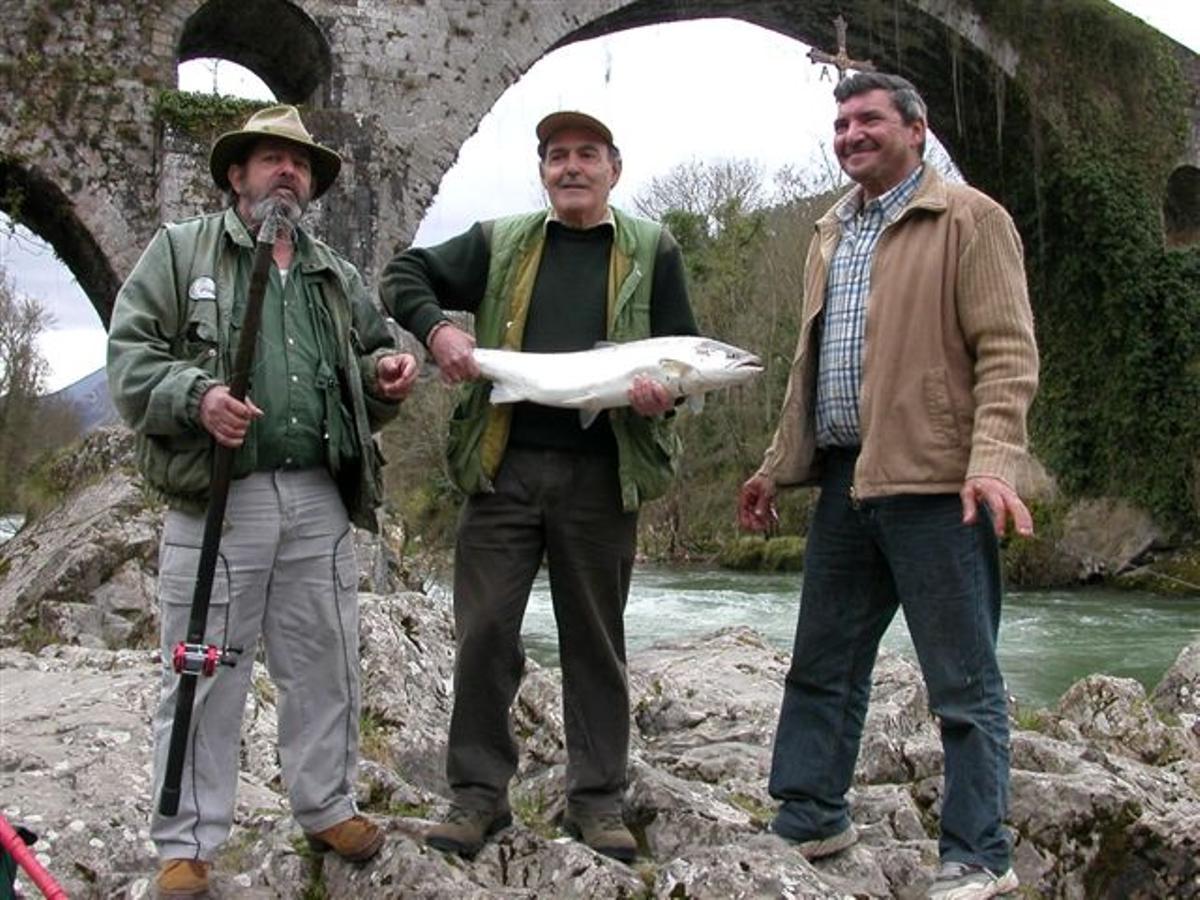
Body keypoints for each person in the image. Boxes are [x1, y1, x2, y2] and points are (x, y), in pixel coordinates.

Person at [737, 73, 1038, 900]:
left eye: (868, 119)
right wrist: (774, 465)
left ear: (916, 127)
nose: (850, 134)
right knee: (823, 663)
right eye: (839, 124)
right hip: (844, 480)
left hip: (941, 486)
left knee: (963, 680)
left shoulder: (970, 219)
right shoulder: (831, 230)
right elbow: (816, 366)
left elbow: (1008, 354)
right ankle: (811, 815)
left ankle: (980, 854)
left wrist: (993, 462)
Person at [107, 105, 419, 899]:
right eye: (272, 158)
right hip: (218, 500)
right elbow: (129, 360)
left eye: (302, 164)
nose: (289, 172)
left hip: (318, 496)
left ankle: (325, 806)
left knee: (326, 665)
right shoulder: (178, 255)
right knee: (202, 669)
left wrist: (386, 377)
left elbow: (371, 359)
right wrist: (197, 396)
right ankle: (186, 843)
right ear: (237, 174)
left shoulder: (334, 275)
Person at [379, 110, 697, 862]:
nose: (572, 167)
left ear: (614, 169)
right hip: (502, 468)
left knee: (596, 641)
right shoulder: (500, 241)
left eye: (588, 155)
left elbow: (681, 354)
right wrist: (439, 331)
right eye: (557, 156)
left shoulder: (655, 249)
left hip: (602, 474)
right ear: (543, 171)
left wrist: (668, 395)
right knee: (484, 633)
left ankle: (596, 803)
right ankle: (477, 798)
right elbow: (402, 275)